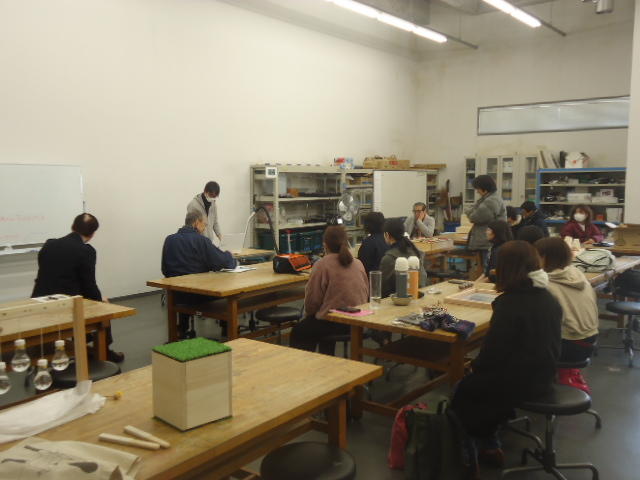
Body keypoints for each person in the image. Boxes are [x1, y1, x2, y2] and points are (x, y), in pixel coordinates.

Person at [451, 241, 562, 467]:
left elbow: (491, 356)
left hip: (519, 383)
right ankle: (490, 436)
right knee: (483, 383)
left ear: (506, 268)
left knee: (462, 389)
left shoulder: (509, 303)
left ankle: (473, 450)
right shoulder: (548, 298)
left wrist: (472, 367)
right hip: (545, 376)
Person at [32, 213, 124, 363]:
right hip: (65, 307)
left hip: (39, 303)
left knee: (82, 301)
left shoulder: (49, 244)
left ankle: (83, 344)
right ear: (93, 234)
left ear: (73, 227)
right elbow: (89, 285)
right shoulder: (86, 251)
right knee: (103, 306)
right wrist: (101, 301)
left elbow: (51, 277)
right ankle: (103, 351)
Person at [290, 226, 368, 355]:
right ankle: (327, 357)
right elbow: (366, 292)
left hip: (335, 321)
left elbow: (312, 301)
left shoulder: (322, 265)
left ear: (325, 245)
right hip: (359, 319)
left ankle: (306, 365)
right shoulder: (358, 263)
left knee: (300, 330)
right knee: (321, 321)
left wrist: (310, 315)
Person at [535, 237, 599, 393]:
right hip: (590, 340)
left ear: (545, 257)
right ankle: (566, 374)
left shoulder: (547, 285)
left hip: (571, 346)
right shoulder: (577, 274)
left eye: (536, 256)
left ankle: (527, 388)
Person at [162, 210, 236, 338]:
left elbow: (165, 269)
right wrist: (230, 257)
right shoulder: (201, 240)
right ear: (197, 223)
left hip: (176, 295)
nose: (205, 228)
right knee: (227, 291)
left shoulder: (169, 240)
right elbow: (221, 262)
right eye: (204, 225)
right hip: (199, 295)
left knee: (185, 288)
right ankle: (227, 329)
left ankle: (183, 328)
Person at [379, 218, 428, 298]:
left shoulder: (389, 258)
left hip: (397, 300)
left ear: (387, 235)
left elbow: (383, 290)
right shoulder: (413, 250)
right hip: (418, 295)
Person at [466, 175, 507, 264]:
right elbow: (474, 209)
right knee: (485, 266)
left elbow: (474, 217)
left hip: (488, 241)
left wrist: (468, 211)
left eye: (478, 188)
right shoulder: (487, 198)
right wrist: (472, 210)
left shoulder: (490, 201)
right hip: (487, 239)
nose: (477, 191)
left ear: (484, 188)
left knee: (487, 266)